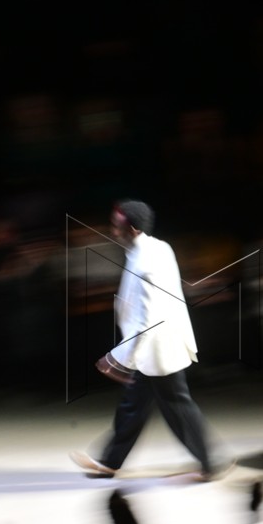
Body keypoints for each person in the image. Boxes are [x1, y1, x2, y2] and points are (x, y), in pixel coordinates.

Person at [70, 200, 226, 480]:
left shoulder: (145, 263)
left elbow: (148, 319)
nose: (113, 231)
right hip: (154, 348)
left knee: (176, 406)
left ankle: (209, 464)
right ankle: (110, 462)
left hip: (158, 347)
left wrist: (118, 357)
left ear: (130, 228)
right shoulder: (158, 247)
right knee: (135, 405)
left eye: (117, 226)